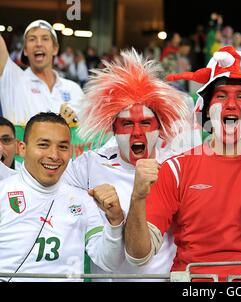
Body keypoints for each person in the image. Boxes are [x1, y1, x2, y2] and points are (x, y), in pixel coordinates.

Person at [124, 46, 241, 280]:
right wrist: (137, 197)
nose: (231, 105)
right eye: (221, 96)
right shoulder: (177, 169)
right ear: (207, 110)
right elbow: (137, 255)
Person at [62, 49, 195, 281]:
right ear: (113, 129)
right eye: (126, 124)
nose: (137, 132)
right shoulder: (89, 165)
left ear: (160, 129)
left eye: (146, 123)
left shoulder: (177, 167)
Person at [0, 112, 125, 282]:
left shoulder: (83, 199)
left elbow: (108, 262)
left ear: (71, 150)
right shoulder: (3, 193)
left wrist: (115, 220)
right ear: (22, 148)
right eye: (43, 145)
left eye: (63, 147)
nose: (54, 155)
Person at [0, 20, 83, 126]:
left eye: (45, 38)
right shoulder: (12, 81)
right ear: (25, 50)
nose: (39, 44)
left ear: (55, 49)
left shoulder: (74, 89)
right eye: (32, 39)